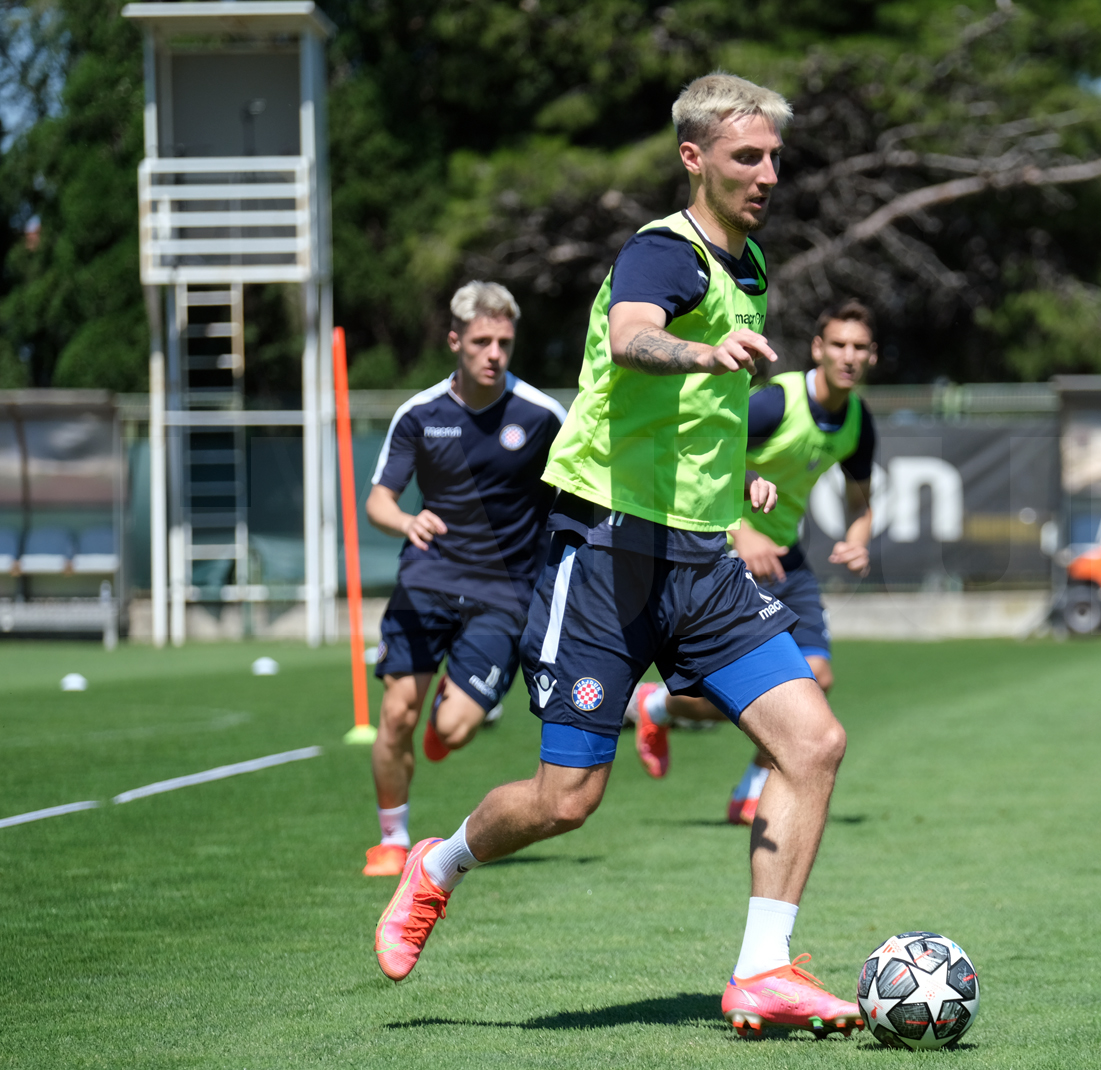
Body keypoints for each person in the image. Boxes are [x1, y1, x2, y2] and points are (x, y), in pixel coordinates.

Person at [374, 72, 865, 1039]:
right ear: (695, 159)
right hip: (604, 552)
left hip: (701, 559)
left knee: (815, 744)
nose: (768, 173)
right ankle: (436, 866)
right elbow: (638, 340)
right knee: (566, 802)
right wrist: (699, 353)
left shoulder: (750, 265)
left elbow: (698, 424)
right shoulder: (661, 256)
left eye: (774, 157)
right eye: (746, 157)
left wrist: (740, 488)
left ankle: (762, 970)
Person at [626, 299, 878, 826]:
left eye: (859, 347)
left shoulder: (857, 421)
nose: (848, 356)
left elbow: (861, 500)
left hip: (787, 558)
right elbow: (704, 454)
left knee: (817, 677)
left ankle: (749, 786)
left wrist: (859, 538)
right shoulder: (777, 404)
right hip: (725, 553)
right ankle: (659, 708)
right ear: (818, 349)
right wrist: (743, 531)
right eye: (838, 345)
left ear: (871, 357)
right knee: (758, 689)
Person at [360, 281, 568, 877]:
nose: (494, 353)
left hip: (503, 595)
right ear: (455, 340)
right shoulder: (420, 415)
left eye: (504, 341)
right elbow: (378, 502)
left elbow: (578, 489)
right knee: (398, 713)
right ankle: (393, 840)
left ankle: (457, 714)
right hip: (426, 579)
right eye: (481, 341)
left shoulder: (540, 415)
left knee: (451, 728)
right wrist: (405, 518)